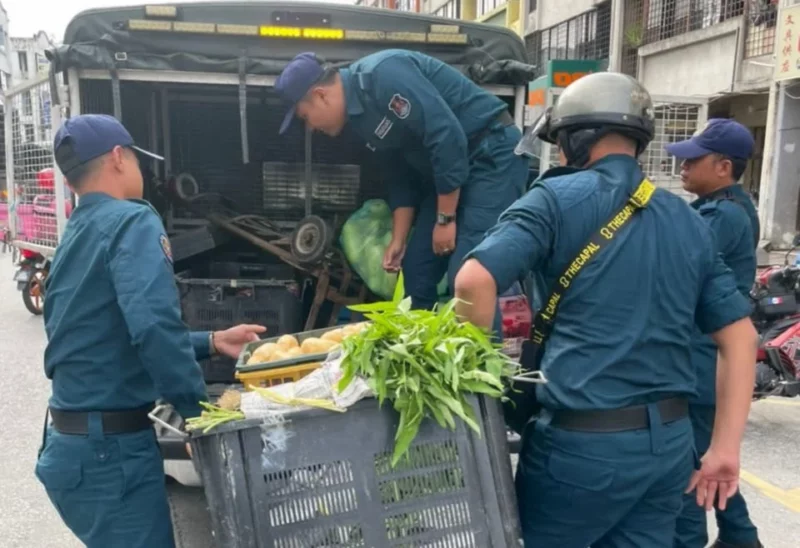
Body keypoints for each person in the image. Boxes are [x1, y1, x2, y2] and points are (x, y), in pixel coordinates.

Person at [453, 72, 758, 547]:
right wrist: (723, 449)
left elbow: (474, 280)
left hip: (580, 451)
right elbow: (740, 337)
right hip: (669, 450)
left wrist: (474, 379)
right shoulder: (687, 219)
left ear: (576, 139)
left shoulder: (554, 198)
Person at [35, 114, 266, 548]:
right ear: (119, 158)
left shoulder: (75, 236)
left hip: (71, 449)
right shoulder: (131, 221)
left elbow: (108, 333)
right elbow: (154, 329)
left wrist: (212, 341)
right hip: (111, 456)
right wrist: (201, 419)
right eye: (140, 162)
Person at [275, 49, 529, 332]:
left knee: (468, 274)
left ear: (321, 95)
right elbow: (400, 173)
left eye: (305, 117)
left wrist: (445, 219)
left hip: (490, 155)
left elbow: (446, 136)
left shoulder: (383, 75)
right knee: (417, 269)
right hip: (447, 173)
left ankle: (482, 372)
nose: (310, 128)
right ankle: (420, 363)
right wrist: (398, 239)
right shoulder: (359, 119)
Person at [667, 119, 763, 548]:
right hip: (705, 355)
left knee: (688, 469)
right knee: (708, 458)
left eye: (693, 159)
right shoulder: (728, 207)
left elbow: (673, 265)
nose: (682, 166)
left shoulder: (721, 216)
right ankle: (742, 538)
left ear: (723, 167)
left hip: (700, 356)